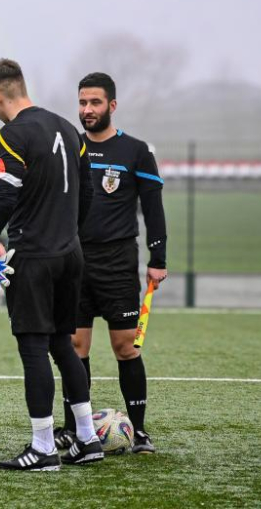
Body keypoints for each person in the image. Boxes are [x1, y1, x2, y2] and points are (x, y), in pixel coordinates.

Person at [0, 58, 103, 471]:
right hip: (71, 254)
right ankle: (87, 439)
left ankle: (44, 447)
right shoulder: (70, 128)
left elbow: (6, 194)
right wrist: (69, 232)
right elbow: (87, 192)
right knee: (62, 344)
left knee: (33, 347)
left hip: (33, 256)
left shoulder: (10, 135)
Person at [55, 72, 167, 455]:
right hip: (75, 259)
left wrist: (158, 258)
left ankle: (139, 431)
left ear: (112, 106)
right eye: (83, 103)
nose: (87, 110)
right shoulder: (70, 146)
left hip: (118, 261)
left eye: (95, 103)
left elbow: (153, 208)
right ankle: (74, 430)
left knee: (125, 347)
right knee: (75, 345)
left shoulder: (136, 151)